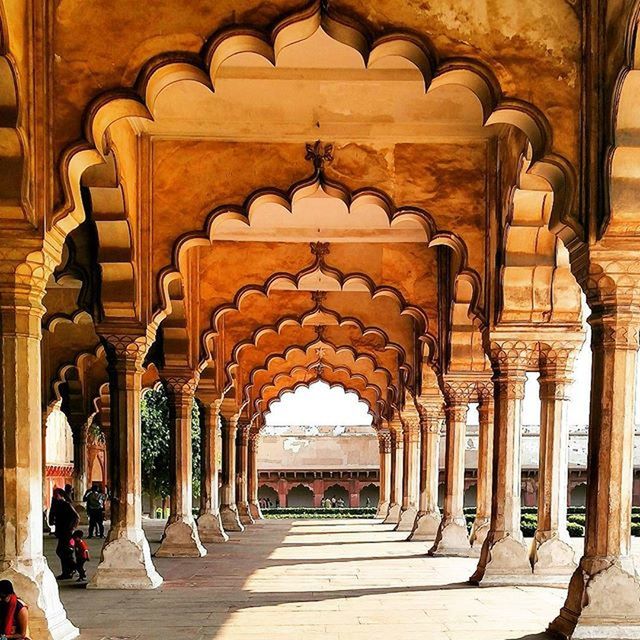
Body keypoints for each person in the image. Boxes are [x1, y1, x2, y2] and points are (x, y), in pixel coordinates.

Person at [49, 488, 79, 579]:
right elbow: (52, 515)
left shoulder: (66, 504)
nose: (54, 496)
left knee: (64, 551)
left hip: (67, 531)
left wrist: (72, 528)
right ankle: (67, 571)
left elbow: (76, 517)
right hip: (61, 531)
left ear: (61, 495)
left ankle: (73, 568)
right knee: (62, 551)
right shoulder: (57, 505)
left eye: (56, 495)